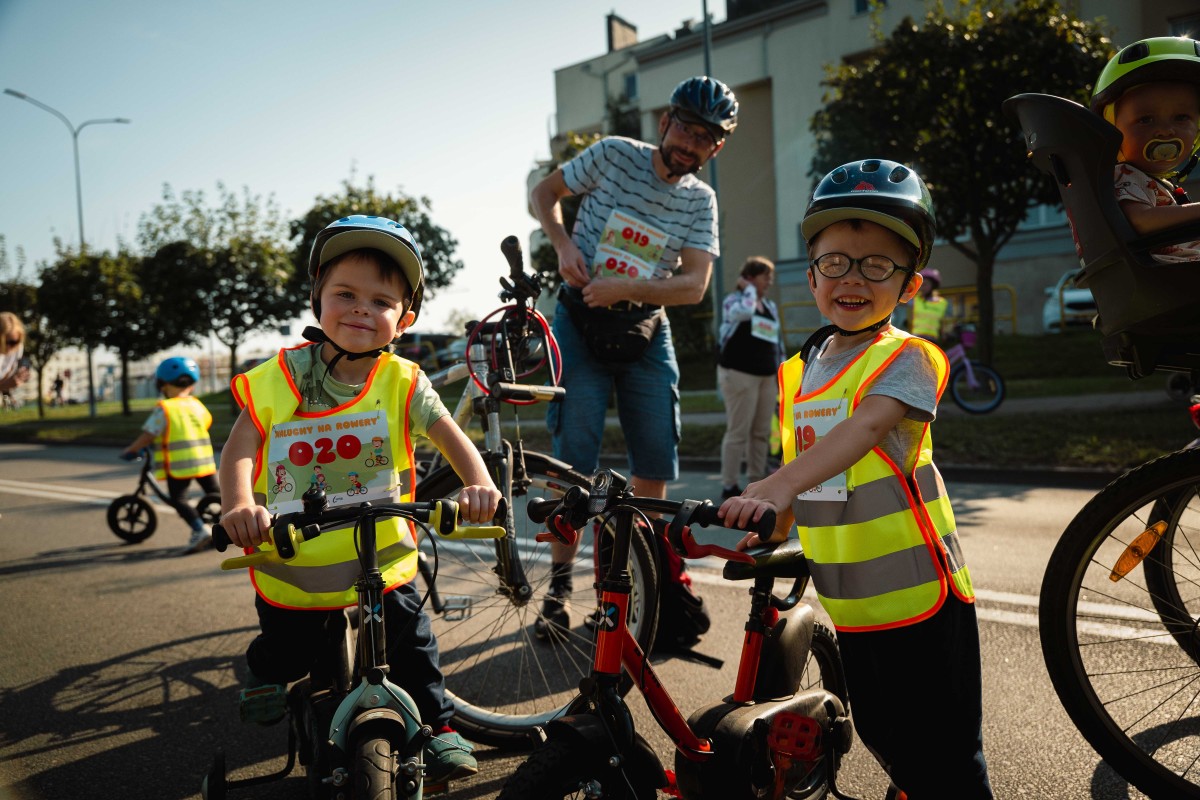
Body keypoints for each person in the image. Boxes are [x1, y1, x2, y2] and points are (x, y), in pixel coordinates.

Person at [720, 159, 993, 799]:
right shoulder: (797, 373)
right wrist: (767, 521)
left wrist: (778, 484)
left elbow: (864, 432)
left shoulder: (907, 358)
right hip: (852, 605)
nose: (853, 277)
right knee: (886, 737)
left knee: (948, 757)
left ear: (909, 285)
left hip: (923, 601)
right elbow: (810, 471)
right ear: (811, 275)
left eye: (878, 265)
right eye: (836, 261)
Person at [218, 215, 501, 783]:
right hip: (295, 555)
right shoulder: (280, 377)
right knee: (288, 649)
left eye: (381, 301)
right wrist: (238, 504)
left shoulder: (405, 380)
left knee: (413, 645)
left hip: (381, 553)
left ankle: (440, 726)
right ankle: (265, 672)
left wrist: (480, 485)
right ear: (317, 300)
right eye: (344, 294)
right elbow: (240, 450)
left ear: (405, 319)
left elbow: (453, 439)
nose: (359, 310)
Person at [529, 75, 739, 644]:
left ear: (716, 148)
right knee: (572, 460)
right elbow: (543, 193)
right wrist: (564, 244)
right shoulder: (614, 155)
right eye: (684, 128)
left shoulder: (701, 201)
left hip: (645, 331)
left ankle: (635, 587)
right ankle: (558, 585)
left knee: (654, 462)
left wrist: (633, 291)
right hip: (579, 321)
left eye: (705, 138)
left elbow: (694, 284)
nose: (689, 143)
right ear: (664, 121)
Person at [1091, 36, 1200, 262]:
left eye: (1181, 118)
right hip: (1174, 281)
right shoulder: (1124, 174)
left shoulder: (1149, 180)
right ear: (1112, 129)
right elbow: (1140, 221)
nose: (1165, 131)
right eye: (1146, 119)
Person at [120, 357, 220, 554]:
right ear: (192, 384)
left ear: (162, 384)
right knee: (216, 495)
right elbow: (207, 423)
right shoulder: (197, 405)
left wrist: (131, 450)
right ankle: (230, 527)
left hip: (179, 465)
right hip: (204, 462)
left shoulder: (165, 409)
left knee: (179, 499)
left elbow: (149, 435)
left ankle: (200, 531)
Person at [716, 256, 783, 500]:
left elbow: (776, 340)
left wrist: (781, 369)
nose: (770, 281)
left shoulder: (770, 306)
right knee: (738, 431)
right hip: (739, 374)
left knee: (761, 432)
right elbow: (744, 313)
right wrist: (749, 291)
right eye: (766, 276)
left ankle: (757, 482)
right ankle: (729, 484)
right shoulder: (734, 301)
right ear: (751, 278)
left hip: (766, 375)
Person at [907, 267, 951, 343]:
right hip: (916, 338)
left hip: (933, 340)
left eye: (925, 285)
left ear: (933, 286)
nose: (922, 288)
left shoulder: (943, 303)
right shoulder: (914, 300)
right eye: (920, 285)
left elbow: (946, 322)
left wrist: (945, 333)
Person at [0, 312, 31, 405]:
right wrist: (4, 385)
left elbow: (6, 373)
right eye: (6, 341)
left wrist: (16, 377)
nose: (10, 346)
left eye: (15, 342)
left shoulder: (17, 348)